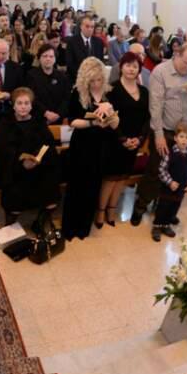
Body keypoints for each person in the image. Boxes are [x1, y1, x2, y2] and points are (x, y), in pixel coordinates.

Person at [130, 43, 187, 226]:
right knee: (155, 171)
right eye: (185, 63)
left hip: (184, 135)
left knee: (177, 173)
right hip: (164, 130)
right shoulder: (160, 72)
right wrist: (158, 134)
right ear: (176, 54)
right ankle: (140, 206)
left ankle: (164, 210)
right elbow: (155, 106)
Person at [61, 57, 119, 240]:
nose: (96, 84)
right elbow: (73, 121)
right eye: (92, 81)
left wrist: (111, 116)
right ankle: (71, 227)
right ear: (85, 80)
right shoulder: (78, 94)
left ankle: (84, 227)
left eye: (99, 80)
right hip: (82, 146)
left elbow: (116, 125)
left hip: (101, 146)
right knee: (76, 187)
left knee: (93, 186)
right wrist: (93, 122)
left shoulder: (109, 95)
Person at [0, 87, 61, 226]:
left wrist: (37, 160)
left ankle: (40, 223)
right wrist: (21, 162)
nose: (23, 107)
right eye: (19, 103)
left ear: (31, 105)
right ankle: (10, 225)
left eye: (26, 103)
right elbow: (1, 150)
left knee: (51, 189)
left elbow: (48, 145)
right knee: (15, 192)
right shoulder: (6, 123)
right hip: (14, 170)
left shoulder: (38, 122)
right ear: (13, 105)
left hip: (39, 167)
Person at [103, 52, 150, 226]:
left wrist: (139, 139)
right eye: (128, 65)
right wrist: (122, 138)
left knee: (123, 178)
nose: (131, 69)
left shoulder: (144, 91)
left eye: (135, 66)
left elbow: (147, 119)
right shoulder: (112, 89)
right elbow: (108, 118)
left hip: (134, 143)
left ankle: (112, 210)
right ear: (121, 67)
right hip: (115, 140)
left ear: (139, 70)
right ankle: (101, 212)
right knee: (110, 178)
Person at [152, 121, 187, 241]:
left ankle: (166, 225)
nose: (184, 140)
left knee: (174, 207)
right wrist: (170, 182)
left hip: (180, 190)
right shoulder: (170, 154)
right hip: (167, 189)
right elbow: (161, 169)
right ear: (175, 138)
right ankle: (157, 226)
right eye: (181, 136)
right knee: (163, 207)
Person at [26, 44, 70, 124]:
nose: (48, 59)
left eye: (51, 56)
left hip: (59, 119)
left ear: (55, 59)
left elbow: (66, 99)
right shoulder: (31, 76)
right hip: (38, 118)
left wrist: (58, 114)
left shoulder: (63, 77)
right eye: (45, 56)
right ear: (39, 58)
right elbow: (32, 98)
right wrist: (46, 113)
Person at [65, 15, 105, 83]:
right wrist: (84, 77)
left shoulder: (99, 42)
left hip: (94, 80)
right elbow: (70, 64)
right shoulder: (72, 41)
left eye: (92, 27)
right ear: (81, 26)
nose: (90, 29)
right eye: (87, 26)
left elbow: (100, 62)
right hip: (77, 79)